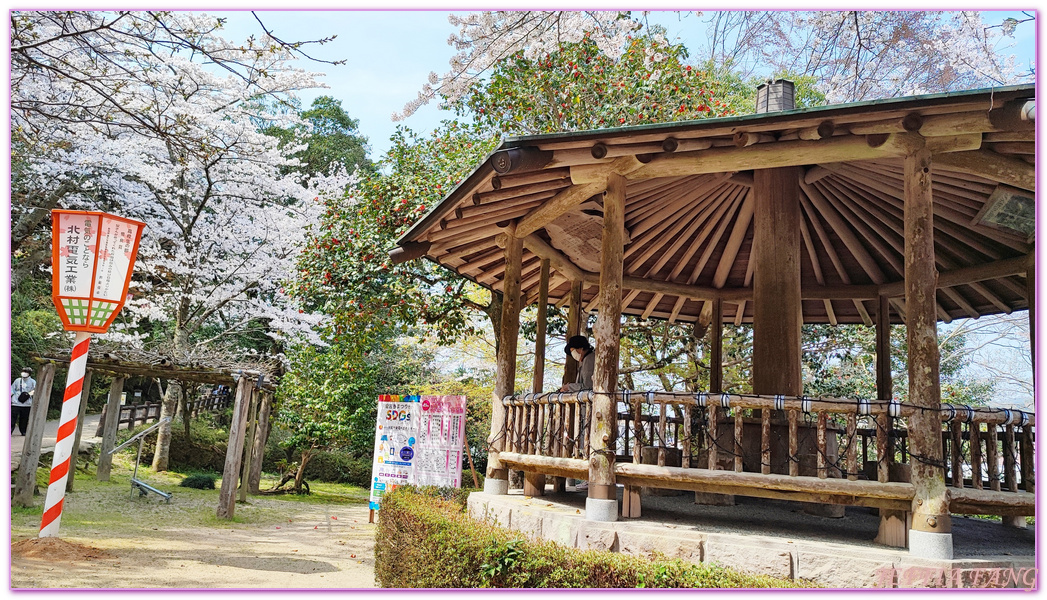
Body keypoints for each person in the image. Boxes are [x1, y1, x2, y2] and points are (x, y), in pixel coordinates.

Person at [11, 367, 36, 436]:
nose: (24, 373)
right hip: (15, 402)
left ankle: (23, 431)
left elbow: (35, 390)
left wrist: (29, 394)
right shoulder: (17, 380)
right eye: (23, 371)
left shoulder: (32, 382)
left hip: (27, 403)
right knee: (12, 418)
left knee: (24, 418)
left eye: (26, 372)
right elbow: (12, 389)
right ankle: (10, 430)